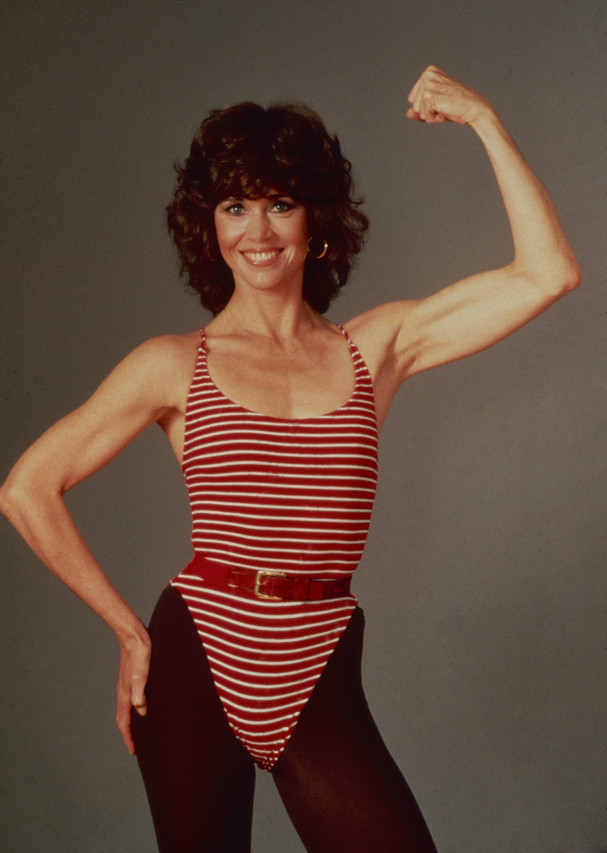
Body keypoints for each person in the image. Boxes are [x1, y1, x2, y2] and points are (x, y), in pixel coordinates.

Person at [0, 66, 580, 852]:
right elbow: (27, 487)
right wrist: (130, 635)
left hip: (318, 652)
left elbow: (549, 272)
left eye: (280, 203)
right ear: (208, 224)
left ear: (317, 221)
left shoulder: (375, 348)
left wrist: (481, 117)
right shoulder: (174, 363)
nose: (259, 231)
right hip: (198, 648)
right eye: (235, 206)